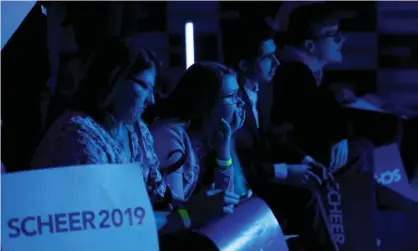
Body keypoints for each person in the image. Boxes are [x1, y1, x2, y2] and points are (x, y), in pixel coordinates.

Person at [31, 36, 240, 235]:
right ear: (113, 79)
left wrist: (203, 205)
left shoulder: (135, 129)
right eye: (145, 86)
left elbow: (163, 198)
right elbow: (111, 224)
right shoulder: (76, 134)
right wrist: (190, 214)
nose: (151, 100)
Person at [223, 17, 340, 251]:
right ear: (244, 64)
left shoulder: (264, 91)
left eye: (275, 55)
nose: (276, 63)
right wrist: (284, 172)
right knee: (306, 197)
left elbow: (272, 138)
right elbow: (239, 165)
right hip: (240, 189)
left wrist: (304, 159)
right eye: (267, 58)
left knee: (319, 183)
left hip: (263, 178)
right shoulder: (227, 101)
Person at [151, 62, 245, 201]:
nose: (241, 103)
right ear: (207, 102)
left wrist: (226, 146)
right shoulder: (170, 135)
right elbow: (173, 208)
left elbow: (227, 199)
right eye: (232, 96)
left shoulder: (211, 138)